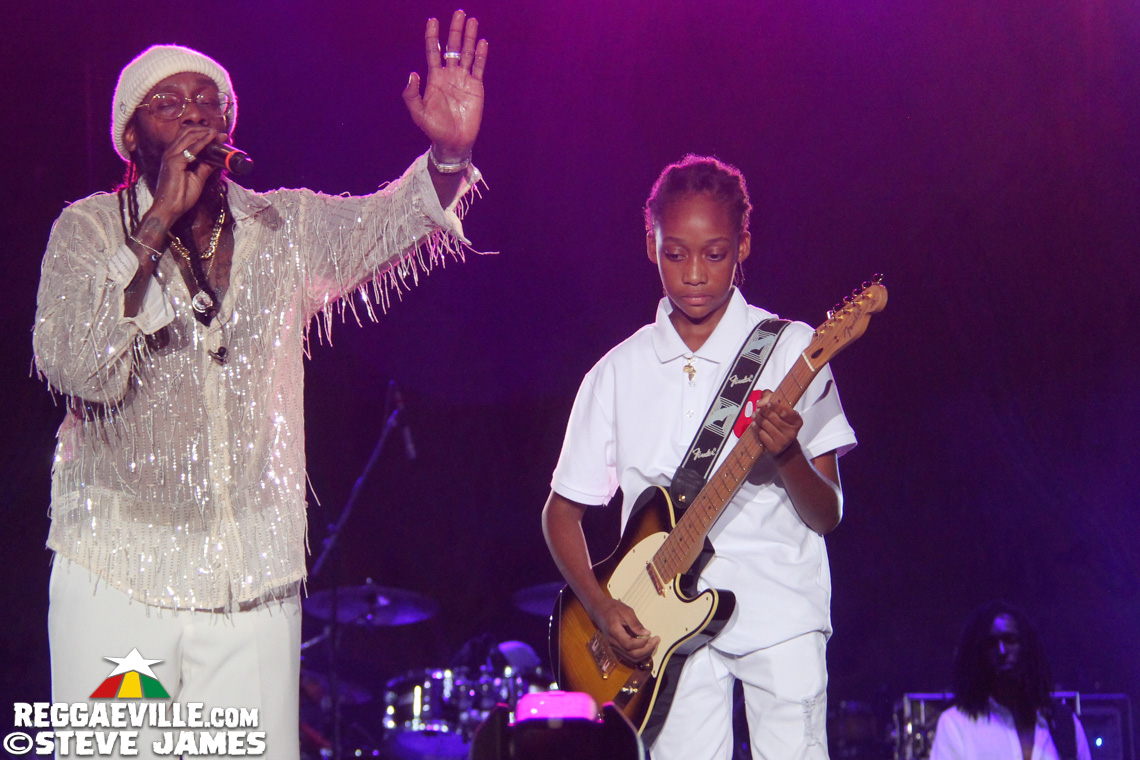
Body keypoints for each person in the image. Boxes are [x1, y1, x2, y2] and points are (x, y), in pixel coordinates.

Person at [32, 12, 487, 759]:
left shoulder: (285, 227)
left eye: (207, 100)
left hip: (252, 579)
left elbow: (392, 219)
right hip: (117, 573)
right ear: (130, 137)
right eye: (167, 103)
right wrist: (156, 225)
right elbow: (78, 365)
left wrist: (449, 153)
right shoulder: (86, 232)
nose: (192, 113)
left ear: (230, 124)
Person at [542, 155, 858, 760]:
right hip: (661, 633)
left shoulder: (793, 349)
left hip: (782, 609)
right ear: (650, 244)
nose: (693, 274)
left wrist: (788, 453)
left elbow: (828, 515)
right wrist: (602, 606)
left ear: (743, 245)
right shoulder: (615, 372)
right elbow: (561, 513)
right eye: (675, 253)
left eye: (714, 254)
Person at [930, 602, 1092, 760]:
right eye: (991, 644)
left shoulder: (1064, 724)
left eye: (1010, 640)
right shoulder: (956, 724)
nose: (1001, 651)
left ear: (1027, 646)